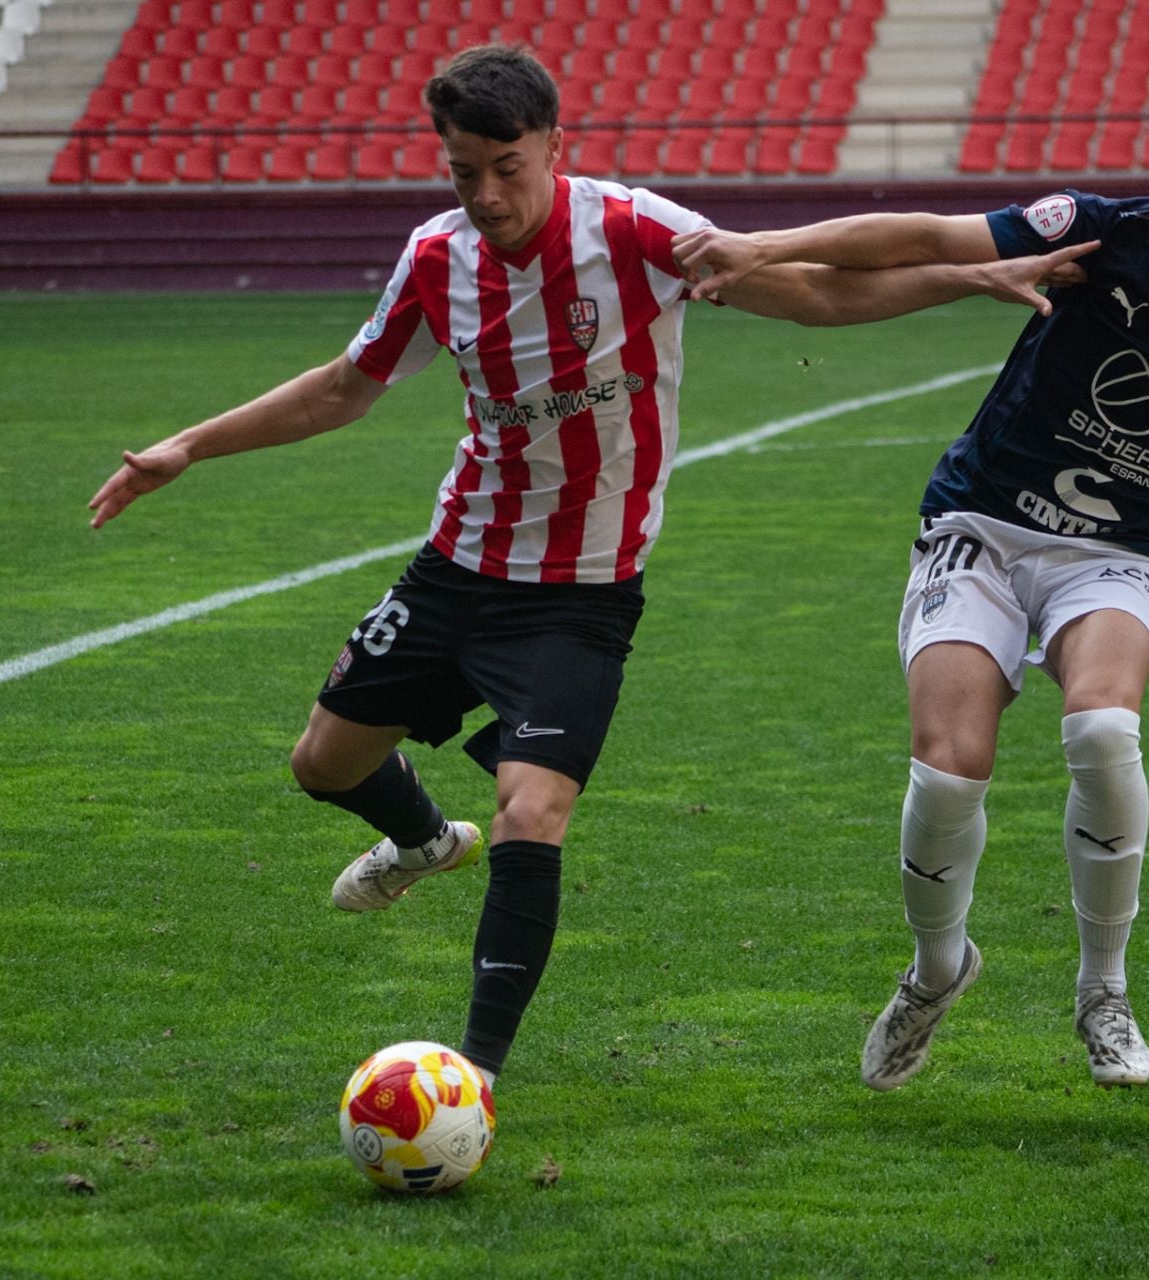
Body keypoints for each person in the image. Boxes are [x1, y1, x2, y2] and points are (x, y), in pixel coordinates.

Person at [86, 46, 1086, 1100]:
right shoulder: (435, 258)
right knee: (322, 765)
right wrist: (187, 447)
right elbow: (343, 388)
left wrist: (970, 278)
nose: (485, 195)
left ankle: (473, 1071)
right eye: (463, 171)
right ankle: (425, 839)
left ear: (556, 147)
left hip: (580, 597)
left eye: (506, 167)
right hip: (456, 568)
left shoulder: (635, 231)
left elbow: (811, 297)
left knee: (533, 812)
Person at [676, 80, 1149, 1092]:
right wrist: (763, 248)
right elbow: (924, 234)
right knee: (950, 768)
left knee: (1105, 729)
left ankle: (1103, 992)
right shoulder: (1098, 231)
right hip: (982, 526)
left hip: (1119, 555)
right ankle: (938, 968)